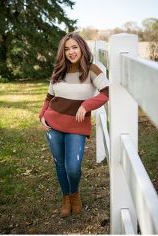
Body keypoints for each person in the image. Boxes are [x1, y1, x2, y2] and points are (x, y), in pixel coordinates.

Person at [39, 33, 109, 218]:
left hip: (77, 126)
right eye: (67, 48)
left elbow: (106, 92)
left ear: (82, 48)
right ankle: (66, 197)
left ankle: (75, 193)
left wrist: (86, 105)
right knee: (60, 165)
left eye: (74, 47)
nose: (71, 52)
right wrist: (41, 116)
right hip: (53, 124)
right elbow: (49, 97)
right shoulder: (58, 70)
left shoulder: (92, 69)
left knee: (73, 167)